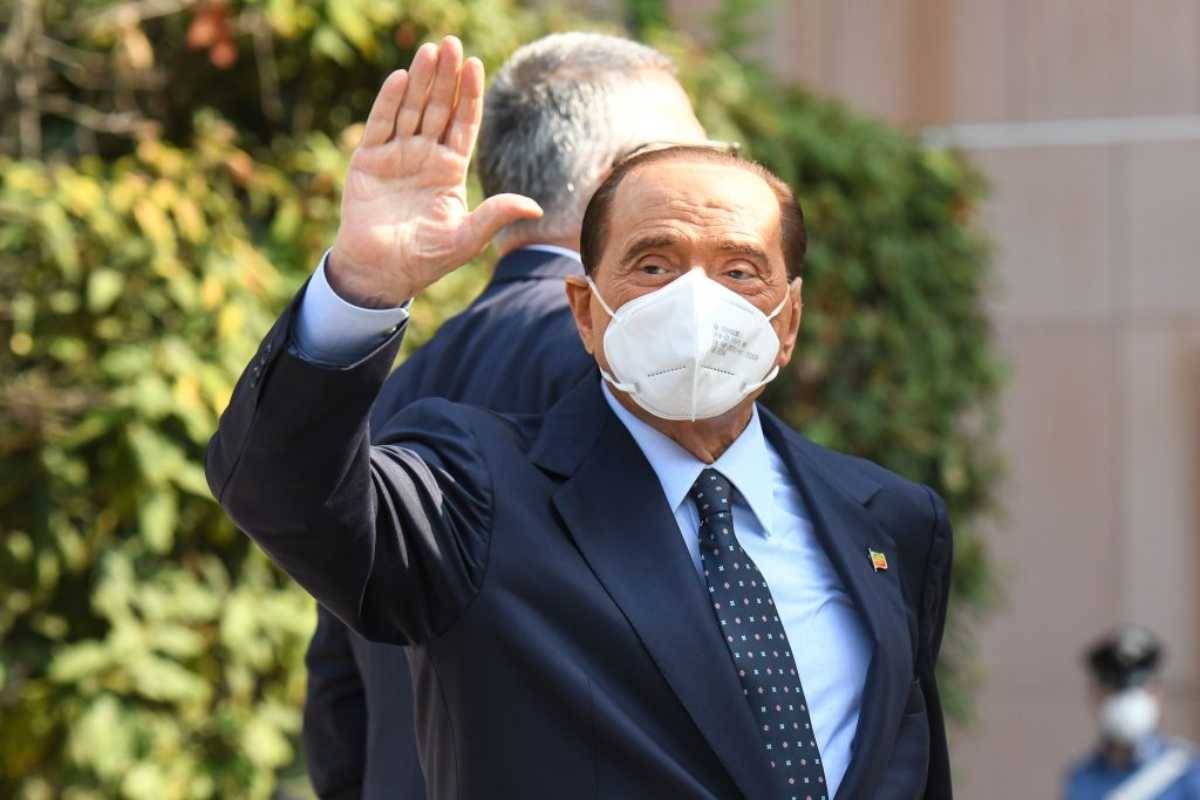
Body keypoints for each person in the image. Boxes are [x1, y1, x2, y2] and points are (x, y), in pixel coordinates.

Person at [207, 36, 953, 799]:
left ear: (788, 320)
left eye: (739, 270)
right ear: (586, 311)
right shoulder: (476, 491)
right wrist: (361, 284)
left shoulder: (890, 522)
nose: (698, 302)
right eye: (655, 264)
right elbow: (285, 494)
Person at [298, 32, 709, 800]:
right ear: (617, 183)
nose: (722, 186)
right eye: (698, 160)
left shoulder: (390, 386)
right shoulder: (639, 368)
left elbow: (338, 687)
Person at [1064, 626, 1200, 799]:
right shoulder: (1081, 778)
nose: (1126, 699)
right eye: (1114, 689)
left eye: (1137, 687)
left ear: (1158, 693)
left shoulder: (1187, 772)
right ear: (1095, 694)